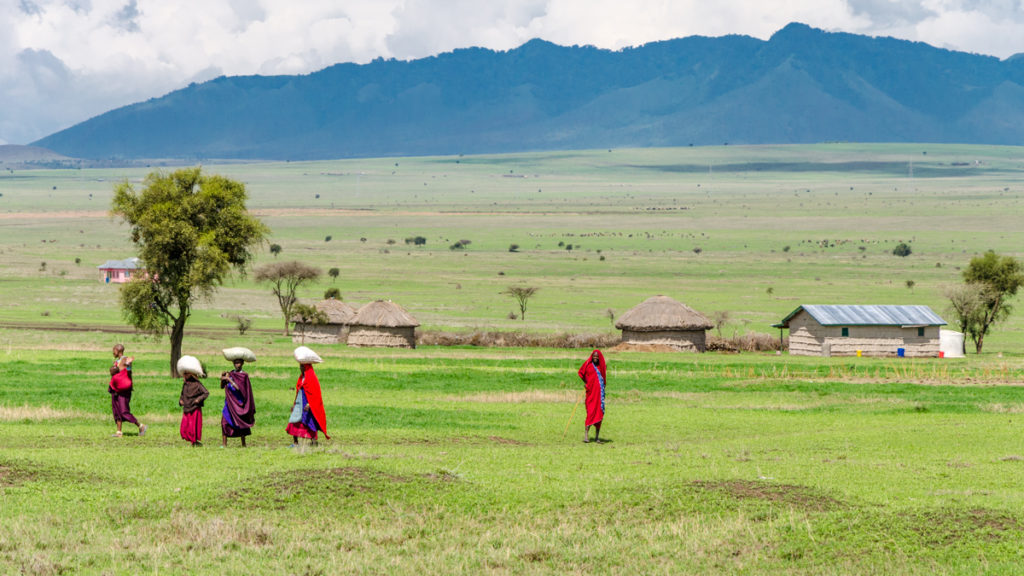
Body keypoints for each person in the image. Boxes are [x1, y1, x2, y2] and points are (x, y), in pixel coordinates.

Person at [286, 353, 329, 447]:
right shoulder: (302, 378)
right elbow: (299, 391)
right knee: (294, 420)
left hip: (307, 403)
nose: (300, 368)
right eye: (300, 366)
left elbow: (315, 394)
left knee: (309, 421)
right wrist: (295, 404)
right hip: (299, 402)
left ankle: (313, 441)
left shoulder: (311, 378)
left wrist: (310, 404)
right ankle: (295, 442)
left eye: (301, 366)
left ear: (305, 367)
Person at [108, 344, 146, 438]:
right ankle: (119, 432)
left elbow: (129, 371)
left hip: (123, 390)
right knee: (116, 410)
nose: (113, 352)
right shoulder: (116, 361)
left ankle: (141, 426)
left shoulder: (125, 360)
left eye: (114, 350)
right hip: (115, 389)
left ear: (118, 350)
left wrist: (128, 366)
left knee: (124, 411)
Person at [220, 358, 255, 447]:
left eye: (238, 363)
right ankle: (224, 444)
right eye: (235, 363)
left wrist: (229, 379)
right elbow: (222, 386)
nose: (236, 365)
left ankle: (243, 443)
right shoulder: (231, 373)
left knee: (240, 422)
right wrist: (223, 378)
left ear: (242, 363)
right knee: (224, 422)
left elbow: (240, 388)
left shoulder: (244, 375)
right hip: (229, 402)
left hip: (239, 403)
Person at [577, 349, 606, 443]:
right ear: (592, 356)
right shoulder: (588, 365)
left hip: (599, 395)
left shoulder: (601, 367)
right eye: (594, 356)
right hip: (591, 394)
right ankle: (586, 436)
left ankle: (597, 437)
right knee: (590, 413)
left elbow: (603, 379)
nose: (595, 358)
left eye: (597, 357)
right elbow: (581, 373)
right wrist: (586, 383)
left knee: (599, 413)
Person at [179, 363, 210, 447]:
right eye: (184, 374)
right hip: (187, 407)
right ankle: (192, 441)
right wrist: (181, 400)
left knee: (193, 426)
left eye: (186, 373)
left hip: (195, 408)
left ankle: (194, 442)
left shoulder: (197, 384)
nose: (185, 375)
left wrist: (198, 400)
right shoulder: (185, 384)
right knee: (185, 427)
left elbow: (206, 393)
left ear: (191, 374)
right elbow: (182, 394)